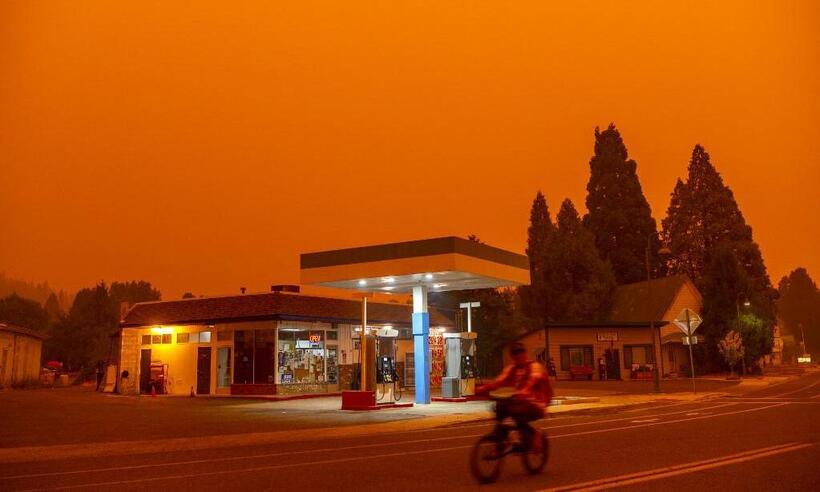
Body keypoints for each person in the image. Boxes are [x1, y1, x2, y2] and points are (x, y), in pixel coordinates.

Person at [479, 342, 552, 451]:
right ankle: (501, 440)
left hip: (538, 402)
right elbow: (499, 380)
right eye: (515, 353)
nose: (519, 355)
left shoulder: (534, 366)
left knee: (517, 411)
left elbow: (533, 379)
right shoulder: (512, 368)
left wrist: (525, 391)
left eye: (521, 352)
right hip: (521, 401)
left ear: (525, 353)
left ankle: (535, 433)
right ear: (512, 356)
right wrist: (484, 389)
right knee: (500, 406)